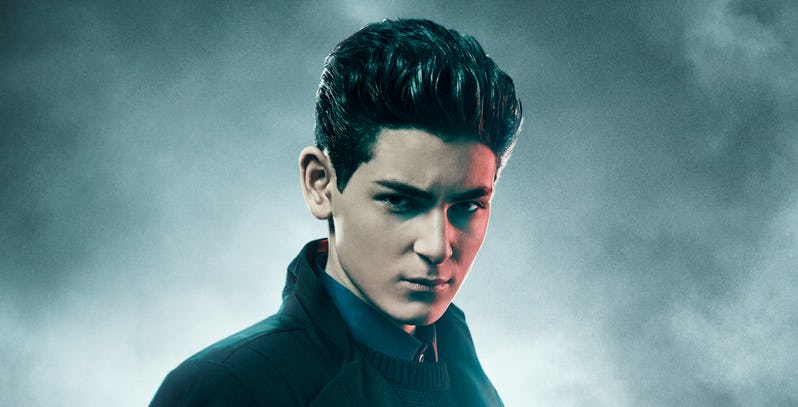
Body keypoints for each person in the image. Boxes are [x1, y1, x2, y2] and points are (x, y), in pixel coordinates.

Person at [150, 18, 522, 407]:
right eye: (399, 201)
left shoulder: (465, 372)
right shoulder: (224, 389)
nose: (437, 247)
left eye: (467, 206)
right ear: (320, 184)